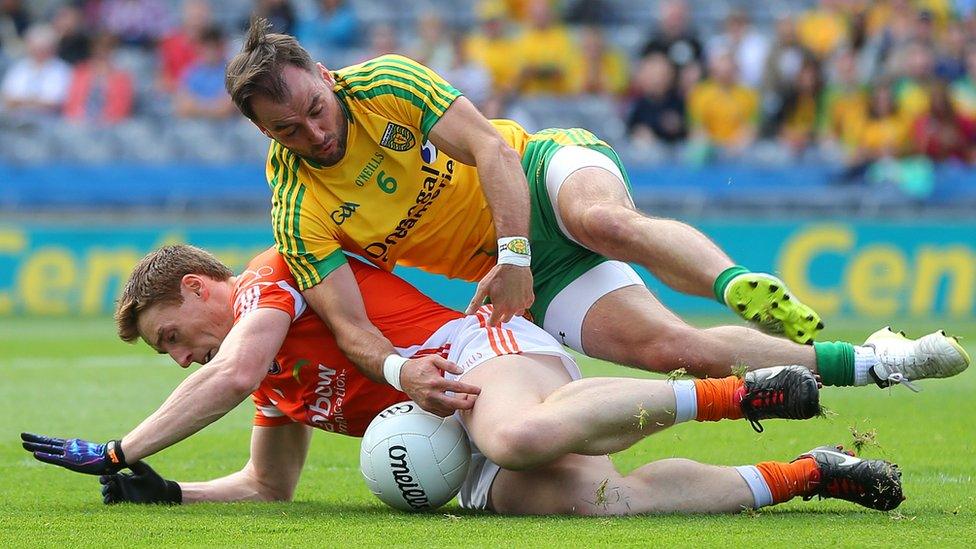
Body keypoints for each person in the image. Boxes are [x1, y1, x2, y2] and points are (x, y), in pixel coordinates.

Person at [221, 19, 969, 416]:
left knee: (604, 219)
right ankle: (878, 359)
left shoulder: (382, 81)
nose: (314, 134)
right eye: (288, 130)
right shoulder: (296, 205)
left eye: (315, 109)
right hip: (528, 273)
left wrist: (512, 253)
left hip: (540, 176)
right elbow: (352, 328)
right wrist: (400, 367)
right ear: (264, 134)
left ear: (324, 76)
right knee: (680, 349)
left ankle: (738, 279)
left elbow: (489, 150)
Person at [22, 244, 904, 515]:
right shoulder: (275, 385)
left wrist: (116, 448)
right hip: (449, 426)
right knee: (608, 499)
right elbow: (267, 483)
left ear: (197, 288)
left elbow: (234, 365)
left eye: (174, 337)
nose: (183, 357)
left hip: (476, 354)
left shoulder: (271, 273)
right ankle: (811, 471)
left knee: (521, 431)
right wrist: (167, 491)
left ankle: (741, 392)